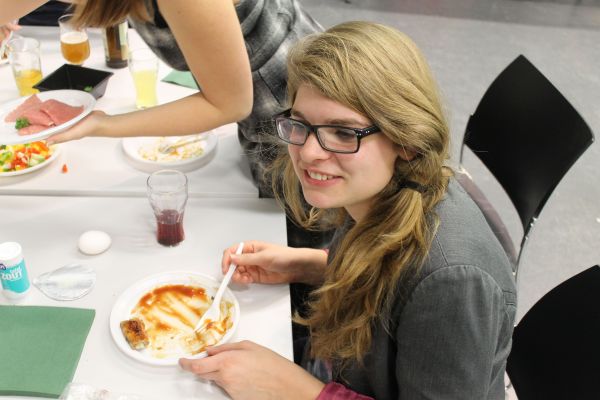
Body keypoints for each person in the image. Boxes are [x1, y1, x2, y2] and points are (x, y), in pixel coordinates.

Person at [179, 21, 517, 399]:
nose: (307, 153)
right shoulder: (380, 193)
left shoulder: (452, 284)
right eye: (301, 125)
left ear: (406, 139)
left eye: (343, 133)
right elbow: (393, 286)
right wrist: (309, 265)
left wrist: (297, 390)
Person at [0, 0, 321, 194]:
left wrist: (103, 125)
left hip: (296, 110)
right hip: (255, 99)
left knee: (303, 249)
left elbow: (229, 103)